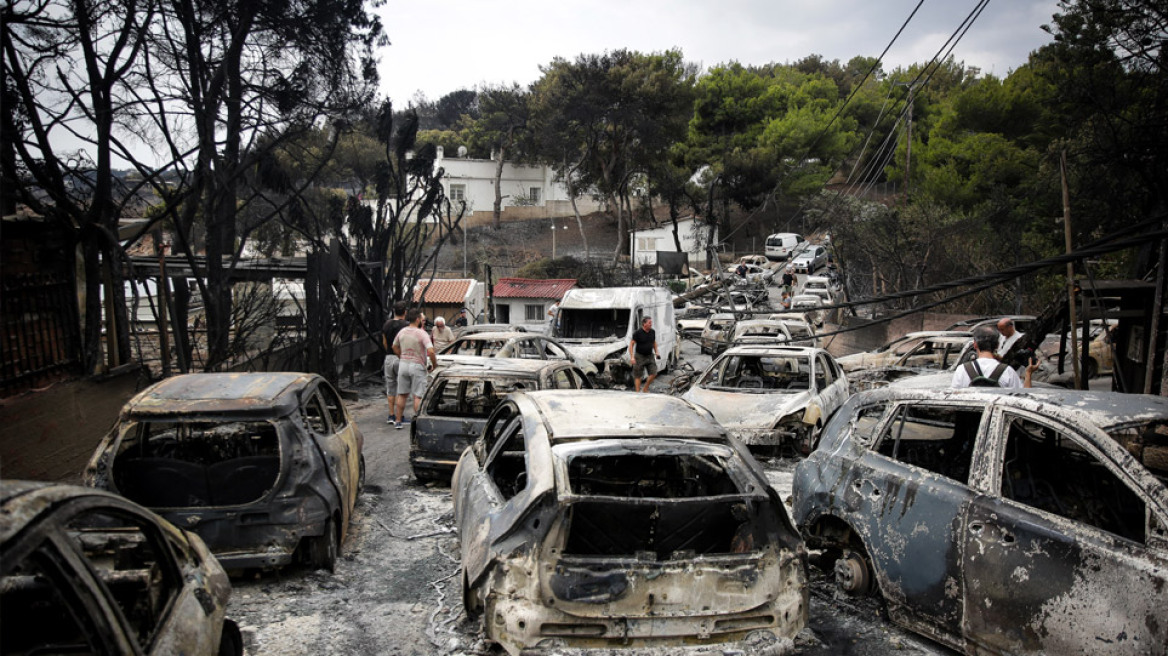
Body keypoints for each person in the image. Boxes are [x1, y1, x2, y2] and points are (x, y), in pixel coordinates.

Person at [392, 308, 438, 429]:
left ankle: (398, 421)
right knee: (418, 395)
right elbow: (431, 351)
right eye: (421, 319)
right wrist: (434, 364)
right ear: (417, 319)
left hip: (403, 364)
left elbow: (394, 346)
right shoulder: (421, 333)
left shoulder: (402, 332)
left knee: (402, 394)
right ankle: (418, 423)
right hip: (417, 365)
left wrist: (401, 356)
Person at [952, 324, 1038, 389]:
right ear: (997, 345)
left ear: (975, 345)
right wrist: (1028, 374)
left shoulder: (961, 370)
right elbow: (1024, 398)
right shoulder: (1008, 371)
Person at [381, 301, 409, 424]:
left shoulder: (386, 324)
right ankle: (400, 416)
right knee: (401, 388)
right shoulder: (406, 326)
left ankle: (391, 415)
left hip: (388, 358)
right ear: (405, 312)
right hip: (401, 357)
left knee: (390, 388)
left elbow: (384, 342)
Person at [629, 316, 660, 393]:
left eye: (651, 322)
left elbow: (654, 342)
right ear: (644, 324)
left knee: (654, 373)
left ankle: (645, 388)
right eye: (649, 323)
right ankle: (637, 392)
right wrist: (632, 357)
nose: (651, 324)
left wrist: (656, 352)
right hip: (639, 356)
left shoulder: (652, 332)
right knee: (638, 375)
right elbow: (631, 344)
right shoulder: (637, 333)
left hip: (650, 355)